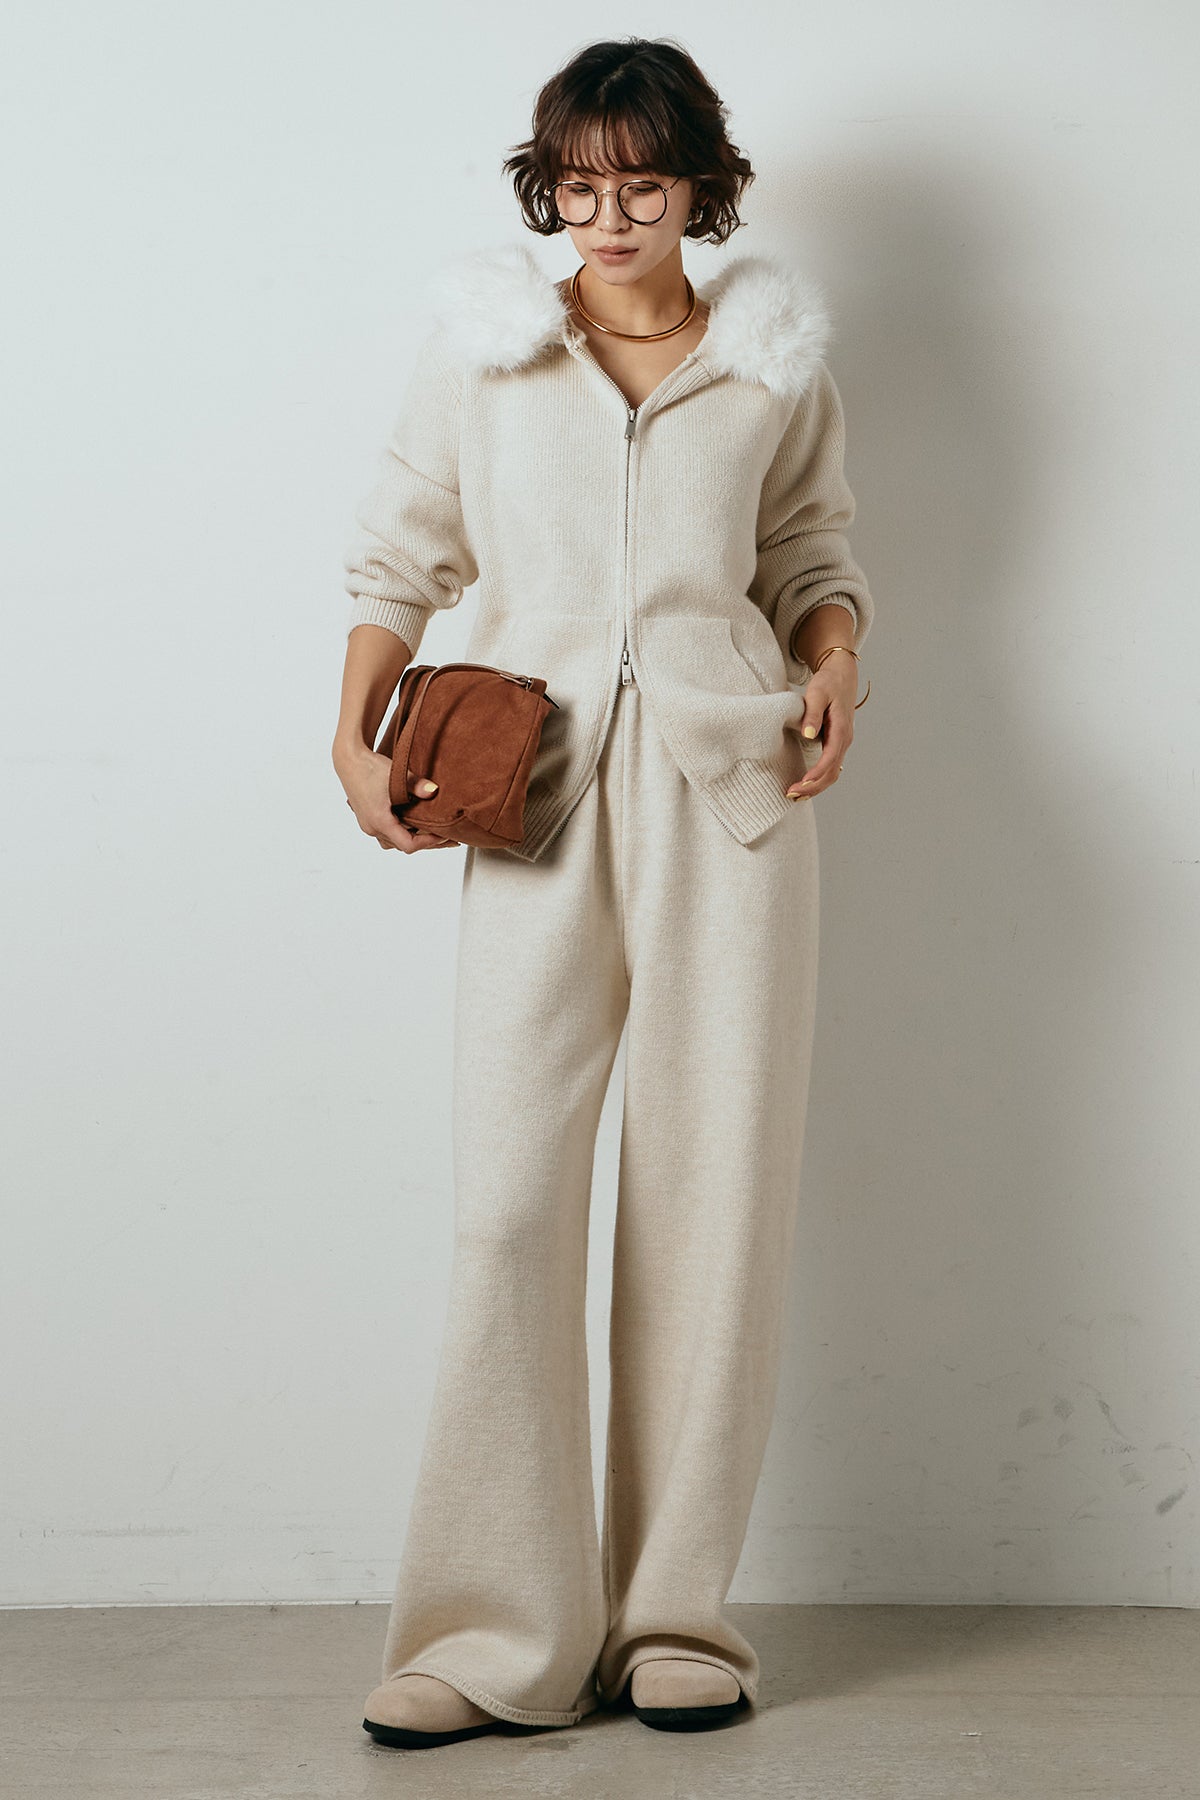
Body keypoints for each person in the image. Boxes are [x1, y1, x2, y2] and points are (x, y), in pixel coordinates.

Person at [331, 36, 874, 1750]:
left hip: (735, 792)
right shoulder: (488, 351)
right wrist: (354, 723)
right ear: (547, 190)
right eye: (579, 186)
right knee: (508, 1202)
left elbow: (812, 554)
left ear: (700, 187)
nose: (610, 216)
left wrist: (838, 655)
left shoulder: (773, 363)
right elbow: (401, 551)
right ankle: (492, 1630)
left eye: (643, 184)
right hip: (537, 790)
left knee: (713, 1195)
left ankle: (673, 1618)